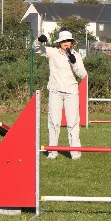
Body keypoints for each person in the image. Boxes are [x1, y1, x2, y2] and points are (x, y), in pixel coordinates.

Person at [34, 30, 88, 160]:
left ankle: (75, 153)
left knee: (73, 122)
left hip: (71, 92)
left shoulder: (76, 55)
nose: (66, 43)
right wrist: (39, 40)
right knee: (53, 121)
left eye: (68, 41)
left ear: (72, 43)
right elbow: (36, 49)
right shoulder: (53, 52)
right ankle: (52, 152)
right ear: (59, 43)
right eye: (63, 41)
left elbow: (83, 75)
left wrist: (74, 62)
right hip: (55, 90)